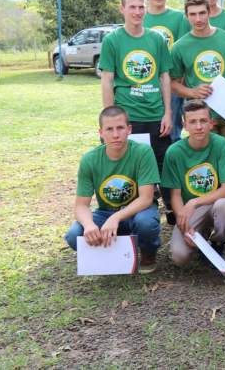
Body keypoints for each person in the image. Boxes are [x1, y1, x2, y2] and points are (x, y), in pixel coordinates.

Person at [100, 0, 174, 223]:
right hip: (128, 120)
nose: (137, 12)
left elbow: (164, 77)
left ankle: (174, 215)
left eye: (141, 7)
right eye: (132, 7)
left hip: (156, 117)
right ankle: (128, 218)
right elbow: (107, 80)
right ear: (123, 9)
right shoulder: (112, 40)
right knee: (127, 169)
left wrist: (168, 113)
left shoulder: (156, 39)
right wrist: (111, 120)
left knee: (165, 168)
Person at [64, 106, 161, 274]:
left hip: (138, 212)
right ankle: (115, 246)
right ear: (101, 132)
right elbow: (81, 206)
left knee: (146, 223)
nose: (115, 135)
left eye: (120, 128)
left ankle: (148, 251)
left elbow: (146, 198)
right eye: (109, 129)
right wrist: (88, 225)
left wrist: (116, 218)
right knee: (74, 235)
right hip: (105, 213)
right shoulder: (89, 159)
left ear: (129, 129)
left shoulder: (143, 152)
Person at [170, 0, 225, 163]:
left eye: (202, 13)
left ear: (209, 12)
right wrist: (194, 92)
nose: (198, 18)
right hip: (201, 117)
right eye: (192, 14)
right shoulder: (179, 47)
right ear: (186, 16)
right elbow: (173, 85)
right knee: (208, 165)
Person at [161, 99, 225, 266]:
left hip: (214, 204)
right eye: (192, 122)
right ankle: (201, 234)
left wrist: (194, 202)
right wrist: (184, 226)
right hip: (190, 211)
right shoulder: (174, 152)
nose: (199, 127)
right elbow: (176, 196)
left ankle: (218, 244)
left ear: (211, 123)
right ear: (184, 125)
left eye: (203, 121)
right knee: (179, 258)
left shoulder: (220, 144)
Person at [143, 0, 187, 142]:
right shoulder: (141, 17)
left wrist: (180, 82)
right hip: (148, 83)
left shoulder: (179, 17)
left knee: (173, 129)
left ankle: (173, 163)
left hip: (173, 81)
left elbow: (184, 51)